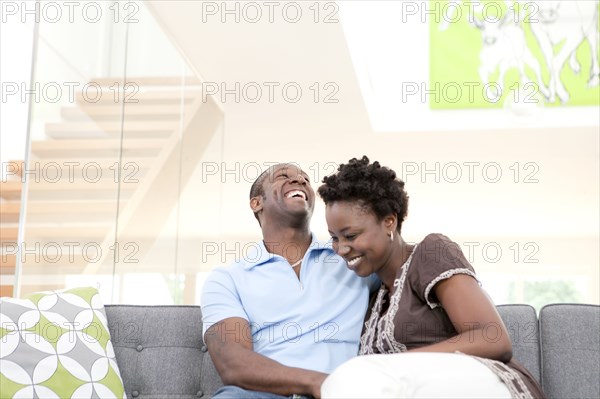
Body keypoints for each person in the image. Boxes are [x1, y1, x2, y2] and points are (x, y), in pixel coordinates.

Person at [317, 156, 546, 399]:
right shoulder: (373, 298)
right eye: (334, 238)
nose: (341, 248)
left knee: (354, 375)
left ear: (389, 222)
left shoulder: (430, 253)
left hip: (483, 381)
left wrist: (389, 365)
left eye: (350, 235)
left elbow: (493, 339)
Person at [201, 163, 375, 399]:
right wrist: (319, 383)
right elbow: (233, 363)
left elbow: (408, 267)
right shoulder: (227, 279)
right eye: (283, 176)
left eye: (305, 179)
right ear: (256, 202)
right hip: (267, 394)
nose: (300, 181)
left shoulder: (351, 258)